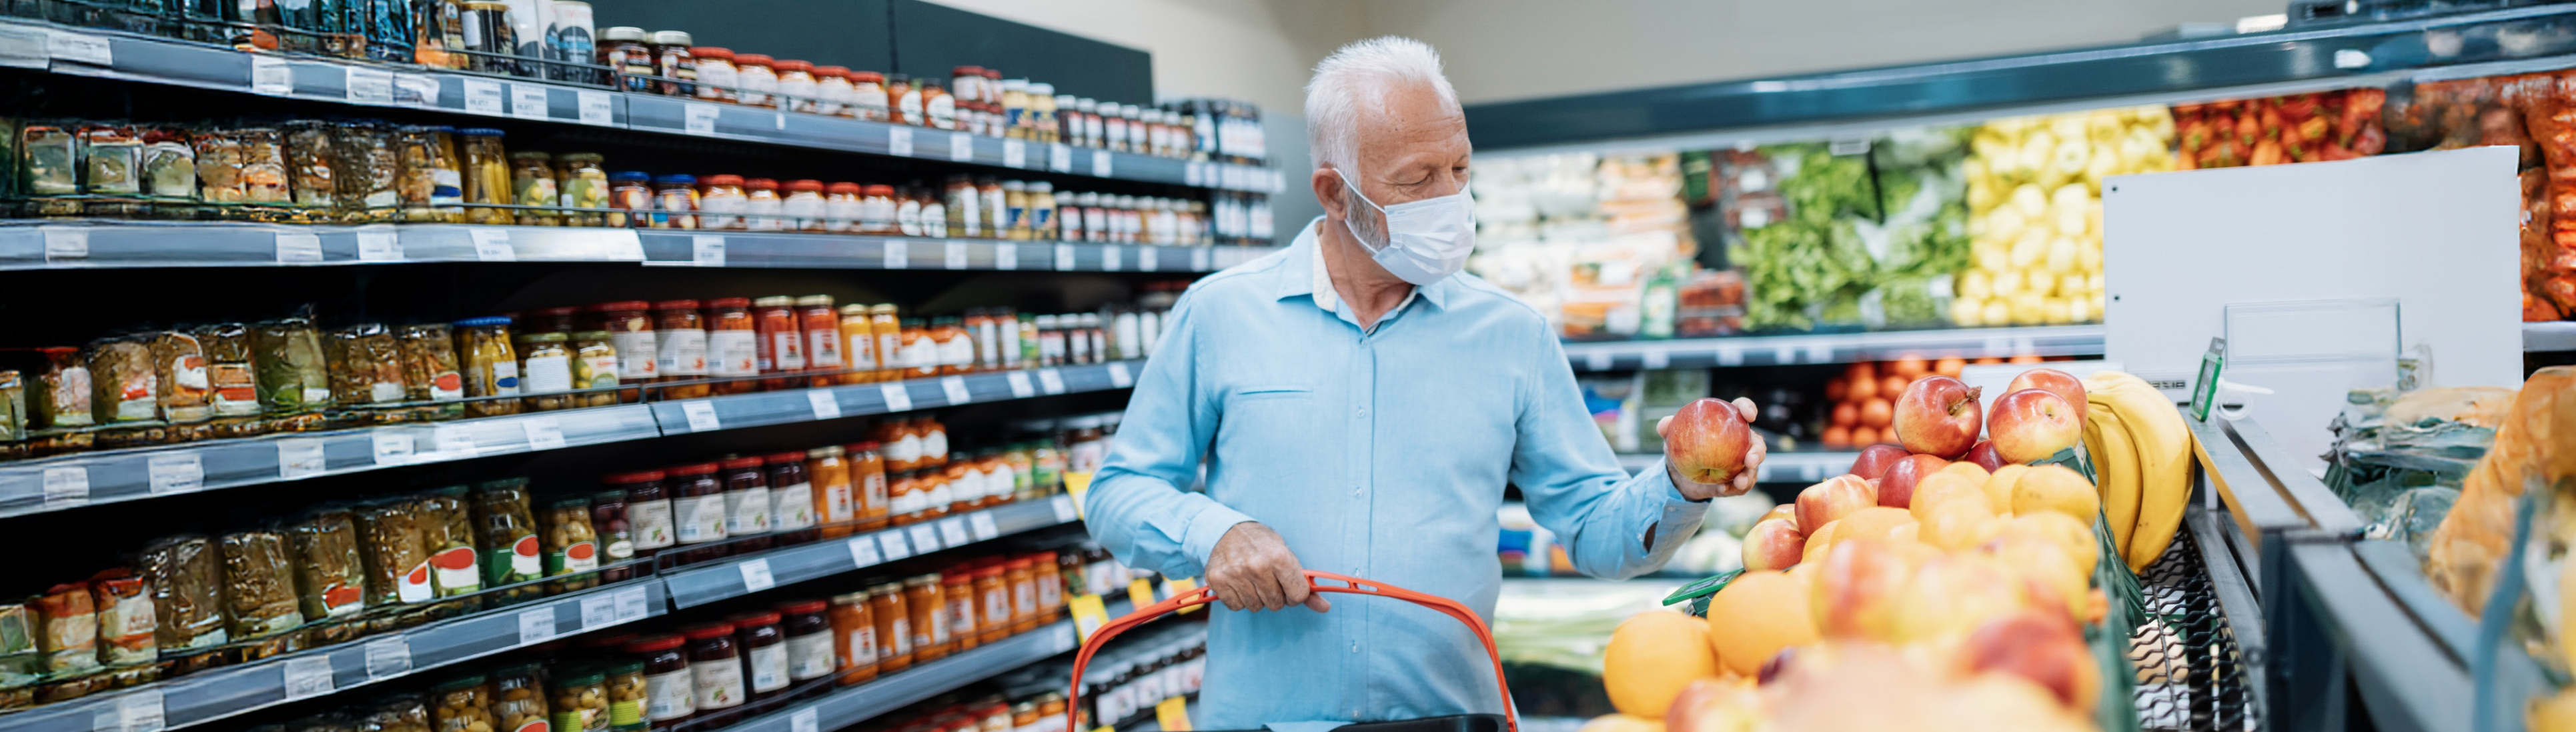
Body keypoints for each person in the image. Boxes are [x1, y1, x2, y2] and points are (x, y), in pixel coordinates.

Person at [1083, 37, 1766, 727]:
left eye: (1460, 168)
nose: (1449, 199)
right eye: (1417, 180)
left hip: (1449, 718)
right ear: (1333, 193)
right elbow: (1117, 494)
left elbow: (1593, 527)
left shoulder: (1511, 335)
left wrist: (1682, 484)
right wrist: (1213, 531)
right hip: (1264, 718)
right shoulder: (1221, 314)